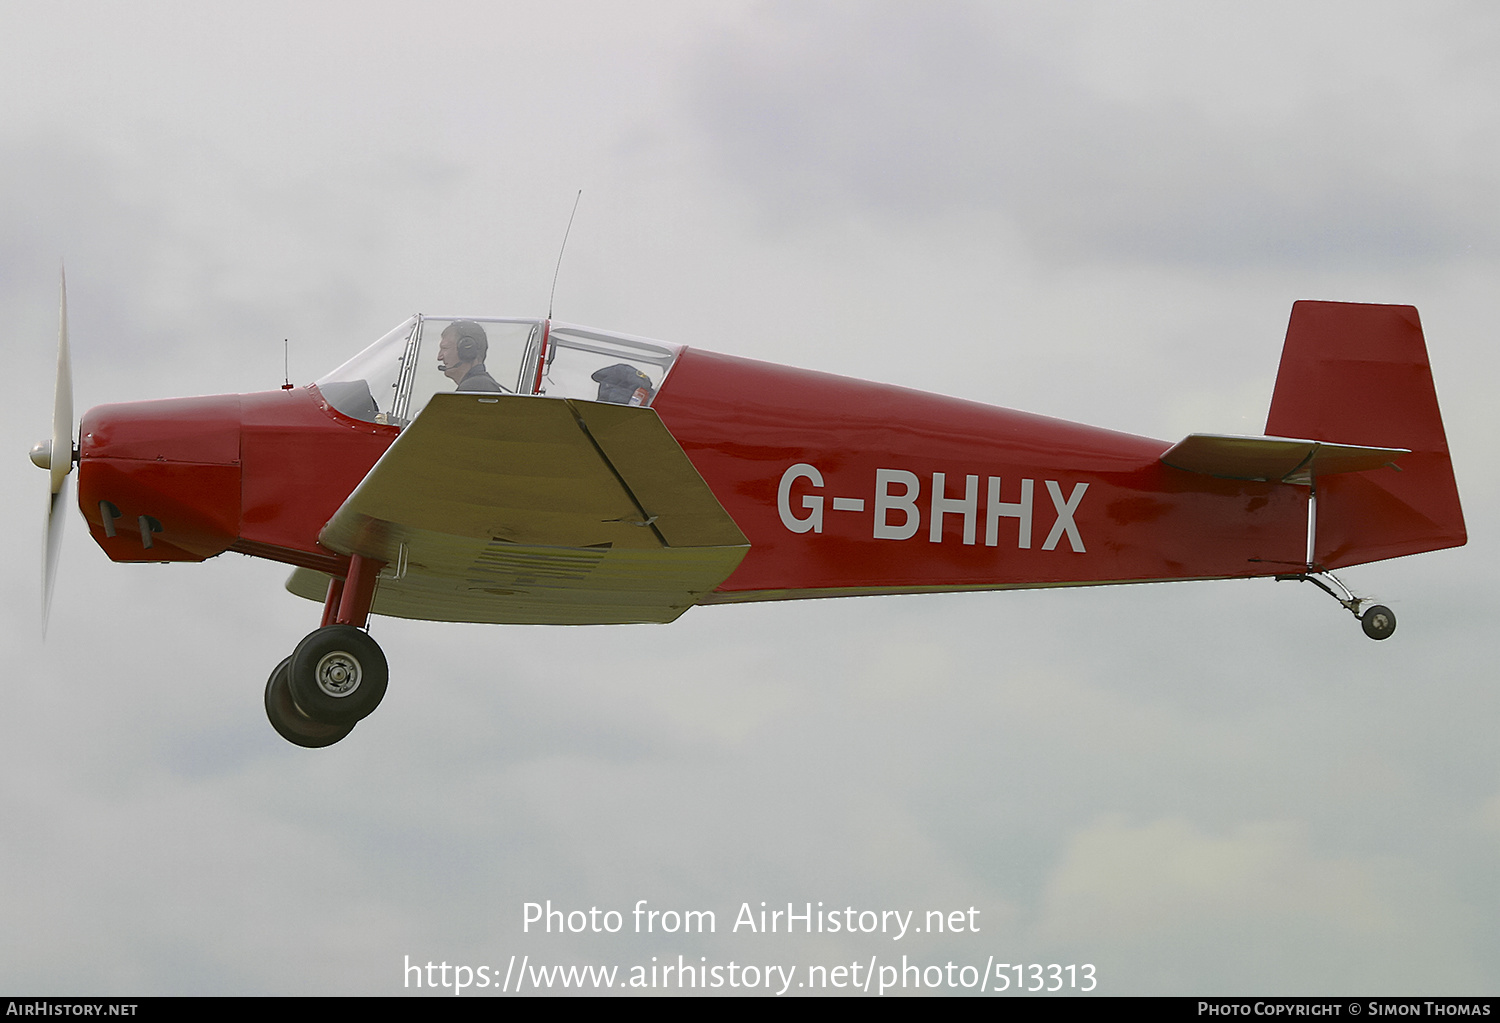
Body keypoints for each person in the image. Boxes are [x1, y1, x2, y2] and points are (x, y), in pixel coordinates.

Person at [437, 320, 502, 392]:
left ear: (467, 350)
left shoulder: (476, 387)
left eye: (445, 348)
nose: (439, 357)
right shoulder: (480, 384)